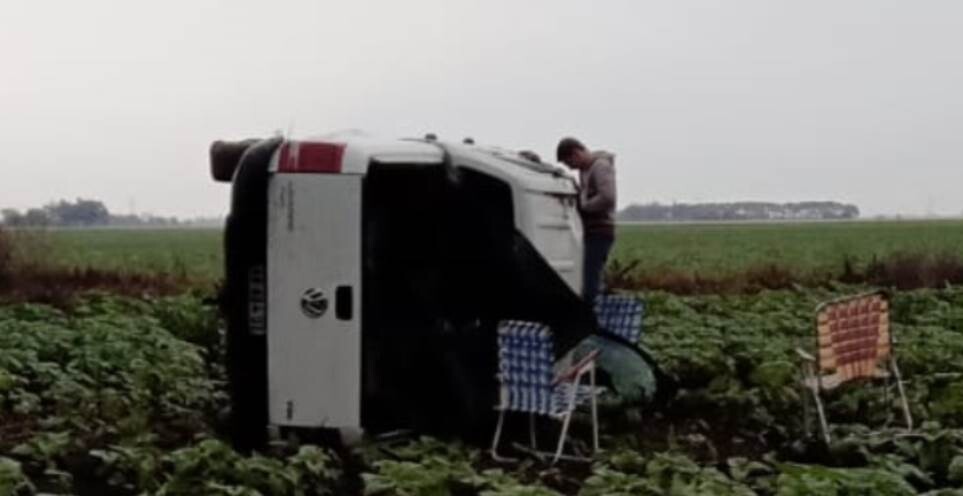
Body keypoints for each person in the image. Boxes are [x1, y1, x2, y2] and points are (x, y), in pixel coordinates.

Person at [556, 137, 616, 303]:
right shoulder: (585, 170)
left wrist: (584, 206)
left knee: (590, 280)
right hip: (591, 231)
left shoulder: (600, 167)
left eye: (570, 163)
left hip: (600, 231)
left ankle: (588, 319)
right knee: (590, 275)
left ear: (576, 153)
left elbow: (608, 197)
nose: (571, 168)